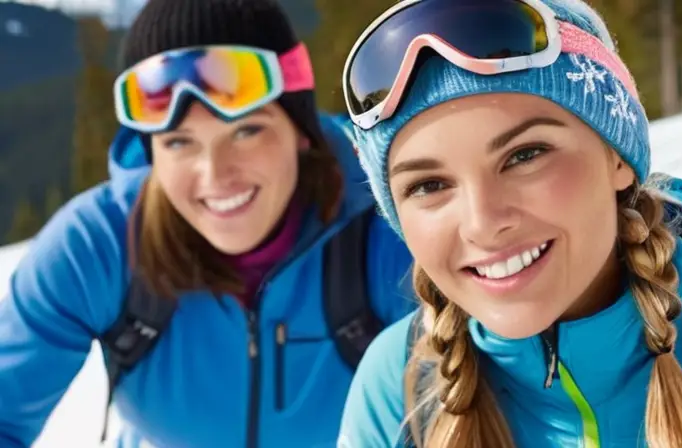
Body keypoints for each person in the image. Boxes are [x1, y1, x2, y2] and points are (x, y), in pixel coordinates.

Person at [337, 0, 682, 447]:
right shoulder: (397, 388)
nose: (483, 223)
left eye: (524, 156)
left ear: (616, 156)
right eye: (429, 185)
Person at [0, 0, 415, 447]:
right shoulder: (99, 247)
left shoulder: (386, 228)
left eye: (245, 131)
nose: (215, 176)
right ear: (152, 152)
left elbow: (469, 404)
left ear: (300, 129)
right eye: (179, 142)